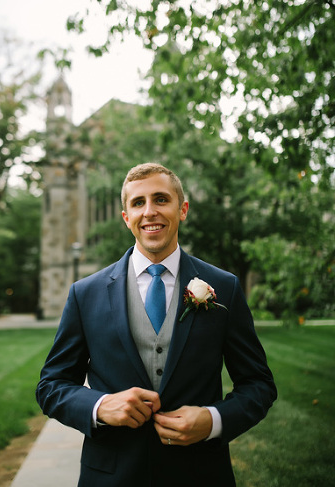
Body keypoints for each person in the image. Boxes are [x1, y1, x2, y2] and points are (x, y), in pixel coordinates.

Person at [36, 163, 277, 487]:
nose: (149, 211)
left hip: (200, 474)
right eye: (138, 203)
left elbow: (259, 384)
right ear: (126, 217)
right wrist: (99, 406)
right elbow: (51, 385)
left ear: (183, 209)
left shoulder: (225, 287)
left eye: (161, 199)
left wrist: (213, 420)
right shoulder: (85, 293)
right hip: (111, 476)